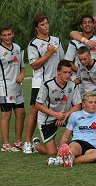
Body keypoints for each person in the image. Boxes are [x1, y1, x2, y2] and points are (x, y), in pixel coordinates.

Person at [23, 14, 64, 154]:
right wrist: (48, 54)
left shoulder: (56, 40)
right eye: (42, 24)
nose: (46, 26)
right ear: (36, 28)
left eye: (47, 23)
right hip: (39, 83)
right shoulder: (33, 44)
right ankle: (27, 143)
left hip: (56, 83)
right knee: (35, 111)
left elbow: (63, 61)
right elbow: (34, 65)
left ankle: (56, 141)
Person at [34, 60, 81, 156]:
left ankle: (76, 145)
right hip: (48, 119)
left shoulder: (72, 86)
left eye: (69, 73)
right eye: (65, 72)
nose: (67, 75)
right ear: (58, 72)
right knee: (52, 153)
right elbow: (38, 105)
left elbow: (78, 105)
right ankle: (36, 145)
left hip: (64, 117)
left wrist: (66, 115)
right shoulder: (47, 85)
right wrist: (55, 114)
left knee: (79, 121)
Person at [56, 92, 96, 167]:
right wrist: (57, 156)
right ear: (83, 104)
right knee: (73, 148)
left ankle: (69, 160)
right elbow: (65, 137)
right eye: (90, 102)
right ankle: (68, 156)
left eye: (95, 102)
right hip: (78, 142)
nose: (93, 104)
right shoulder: (75, 115)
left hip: (92, 147)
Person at [0, 25, 25, 152]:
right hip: (4, 88)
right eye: (4, 35)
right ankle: (5, 144)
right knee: (6, 115)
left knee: (21, 114)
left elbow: (22, 67)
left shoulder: (17, 48)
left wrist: (22, 74)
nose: (7, 37)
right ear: (0, 37)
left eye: (9, 34)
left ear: (13, 34)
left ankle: (18, 142)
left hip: (17, 88)